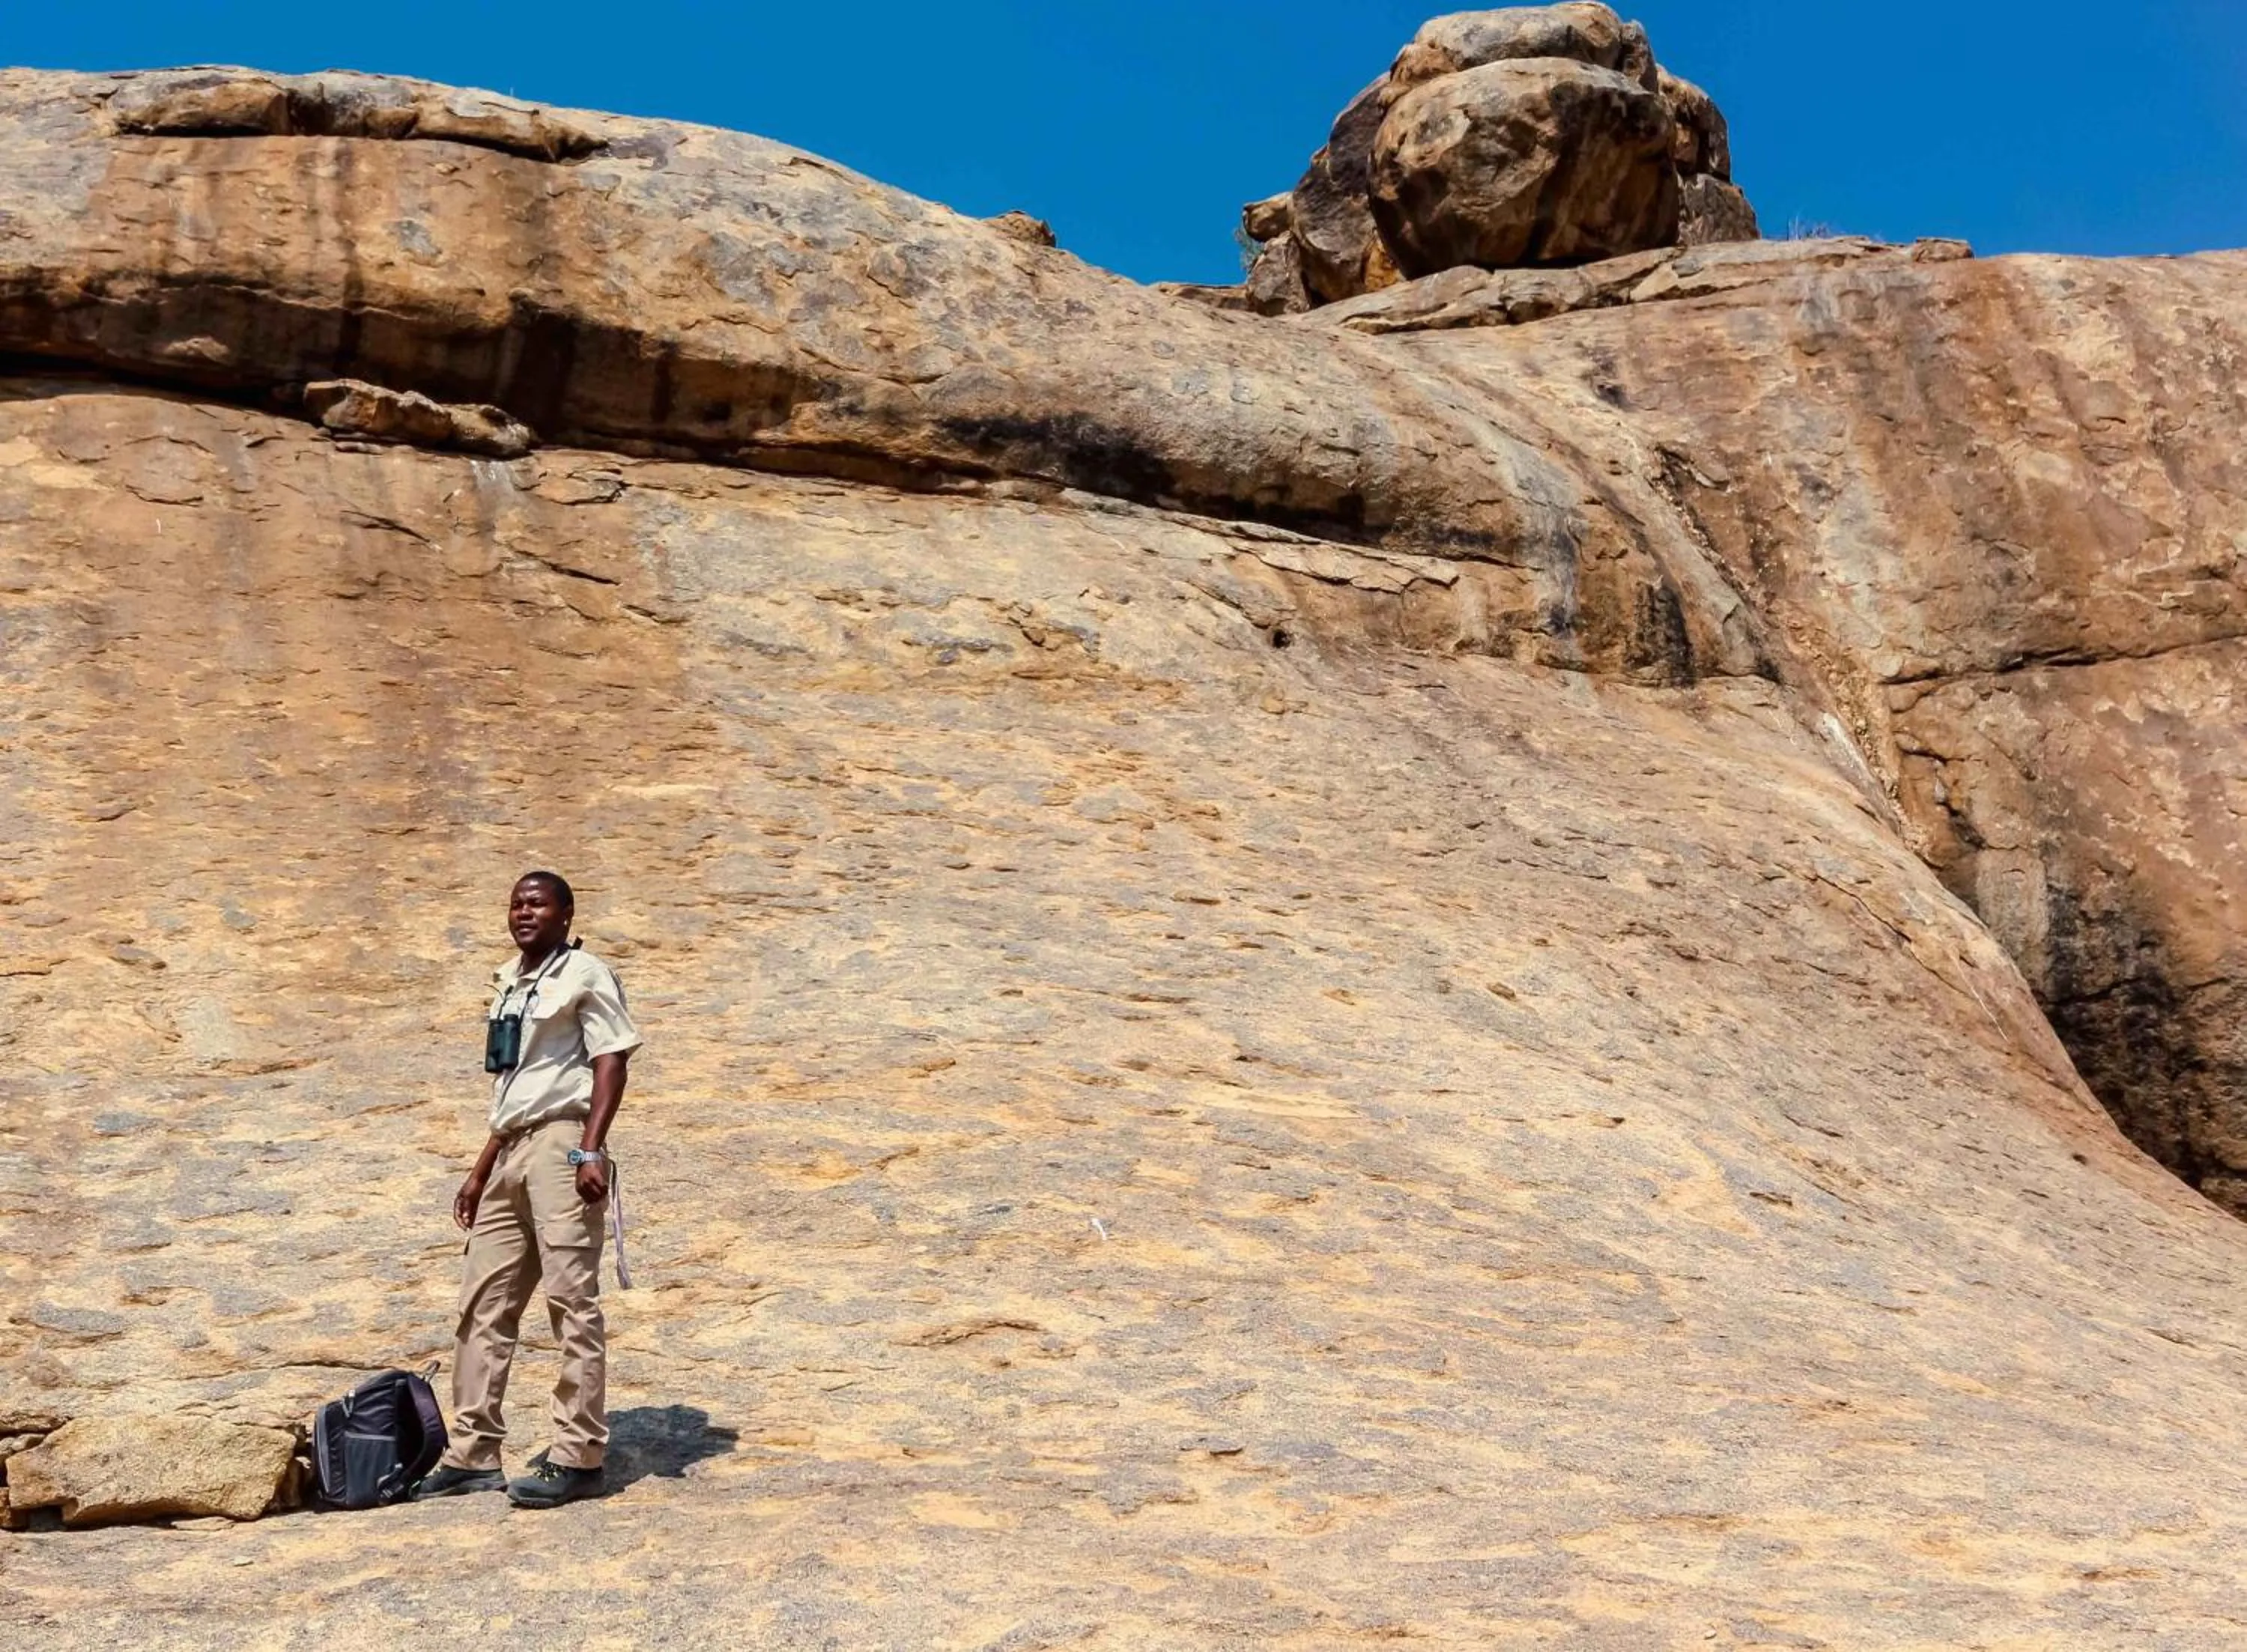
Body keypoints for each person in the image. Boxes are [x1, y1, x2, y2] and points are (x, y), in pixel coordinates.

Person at [413, 870, 642, 1508]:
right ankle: (473, 1453)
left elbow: (611, 1060)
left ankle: (578, 1455)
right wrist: (481, 1167)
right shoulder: (509, 982)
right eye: (516, 903)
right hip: (510, 1147)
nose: (523, 912)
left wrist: (590, 1148)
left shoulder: (585, 973)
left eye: (537, 904)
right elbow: (515, 1089)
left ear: (566, 914)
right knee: (482, 1302)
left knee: (570, 1300)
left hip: (562, 1143)